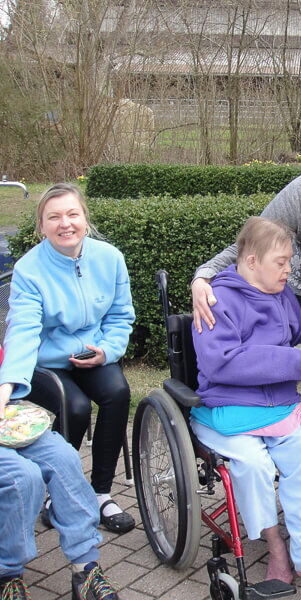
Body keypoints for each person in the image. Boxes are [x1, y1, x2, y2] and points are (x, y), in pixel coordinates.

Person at [190, 217, 301, 584]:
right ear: (252, 261)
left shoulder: (282, 295)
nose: (289, 269)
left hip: (278, 409)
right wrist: (298, 360)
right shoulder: (217, 299)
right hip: (228, 411)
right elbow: (221, 362)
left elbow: (298, 337)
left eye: (289, 261)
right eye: (281, 262)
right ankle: (275, 547)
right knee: (254, 464)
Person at [0, 183, 136, 534]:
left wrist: (106, 351)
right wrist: (8, 384)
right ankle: (57, 492)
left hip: (93, 352)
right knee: (74, 407)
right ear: (41, 225)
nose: (65, 223)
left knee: (118, 393)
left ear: (85, 219)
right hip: (47, 362)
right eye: (54, 217)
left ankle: (101, 493)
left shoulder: (110, 258)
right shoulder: (30, 269)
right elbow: (23, 329)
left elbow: (120, 315)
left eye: (73, 214)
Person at [0, 344, 124, 600]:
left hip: (8, 415)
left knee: (64, 458)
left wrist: (7, 388)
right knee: (23, 477)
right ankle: (7, 574)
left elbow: (14, 356)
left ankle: (84, 567)